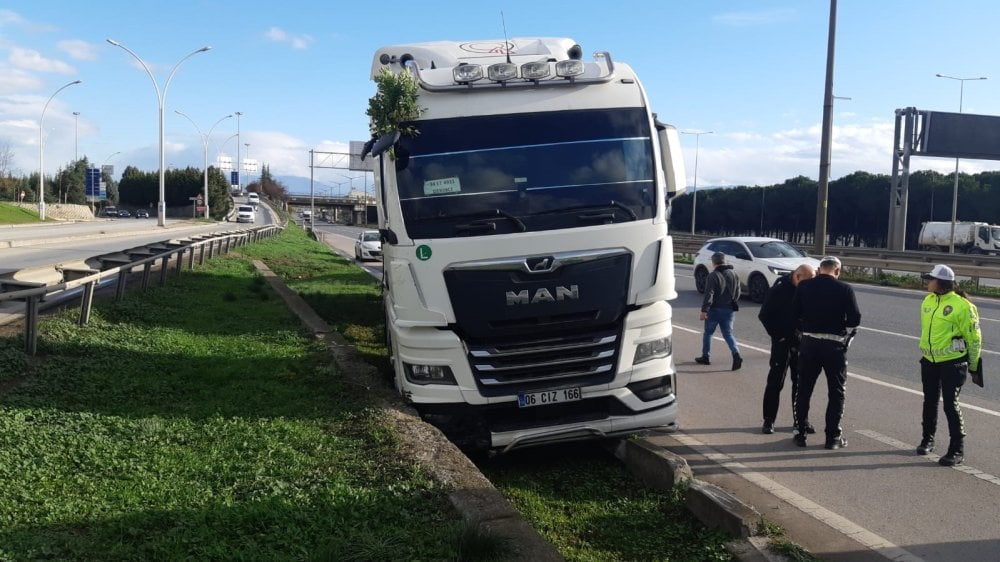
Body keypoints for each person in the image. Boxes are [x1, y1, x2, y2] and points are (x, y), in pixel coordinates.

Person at [792, 256, 861, 449]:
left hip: (809, 342)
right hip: (834, 345)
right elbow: (854, 319)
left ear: (820, 268)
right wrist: (840, 322)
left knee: (804, 389)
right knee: (836, 392)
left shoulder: (804, 287)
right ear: (837, 271)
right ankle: (833, 438)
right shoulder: (845, 289)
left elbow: (794, 313)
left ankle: (800, 433)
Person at [917, 264, 982, 466]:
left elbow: (974, 338)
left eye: (930, 279)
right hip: (929, 361)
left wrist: (973, 366)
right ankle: (928, 439)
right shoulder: (927, 301)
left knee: (950, 405)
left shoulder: (963, 306)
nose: (927, 282)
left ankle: (957, 449)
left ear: (941, 283)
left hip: (953, 363)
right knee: (929, 401)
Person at [758, 263, 817, 435]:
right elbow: (764, 315)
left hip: (801, 342)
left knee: (800, 383)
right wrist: (779, 336)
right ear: (797, 277)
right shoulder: (779, 289)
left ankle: (800, 421)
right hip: (782, 342)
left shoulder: (806, 289)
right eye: (808, 281)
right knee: (776, 382)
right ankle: (769, 420)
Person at [695, 252, 743, 370]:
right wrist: (731, 302)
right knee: (728, 334)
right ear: (724, 261)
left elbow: (709, 294)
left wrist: (704, 310)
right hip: (729, 310)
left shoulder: (713, 275)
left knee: (708, 333)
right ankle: (736, 354)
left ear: (713, 262)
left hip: (714, 310)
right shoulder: (734, 274)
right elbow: (738, 293)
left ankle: (705, 357)